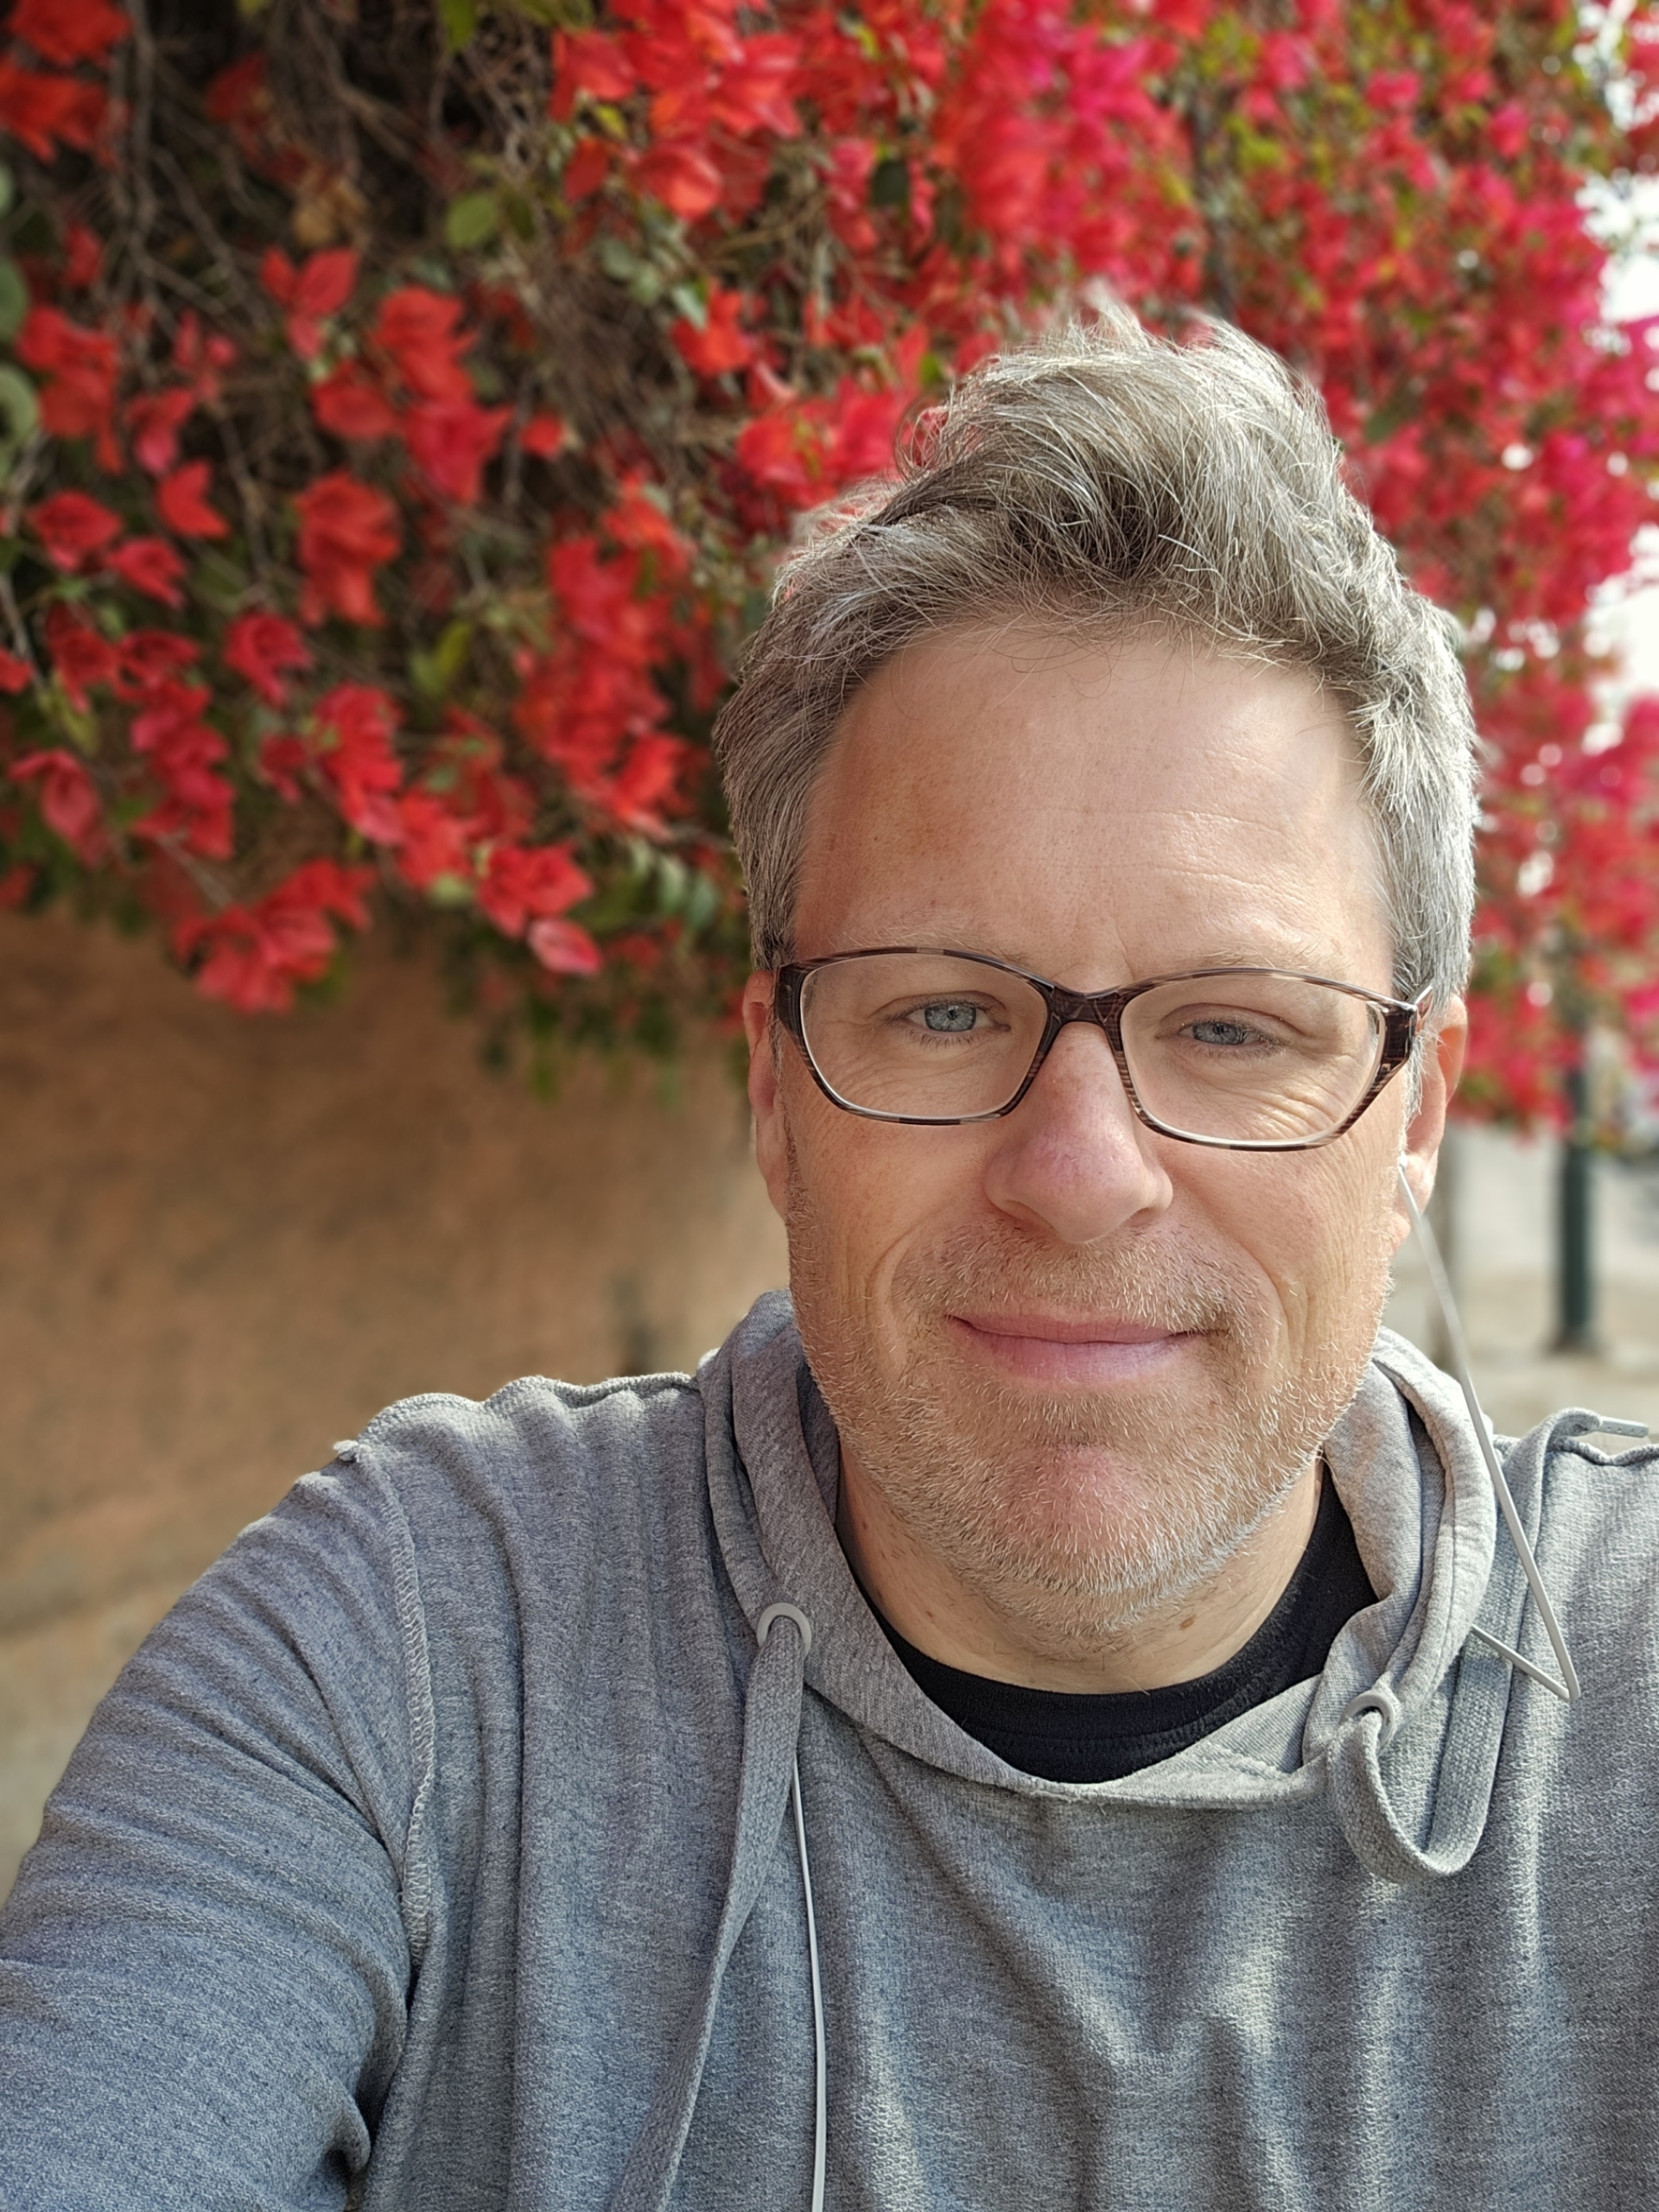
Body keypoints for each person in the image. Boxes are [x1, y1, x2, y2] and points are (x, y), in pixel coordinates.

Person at [3, 308, 1656, 2211]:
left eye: (1233, 1025)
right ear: (774, 1091)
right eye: (945, 1012)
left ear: (1416, 1111)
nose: (1080, 1171)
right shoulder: (419, 1656)